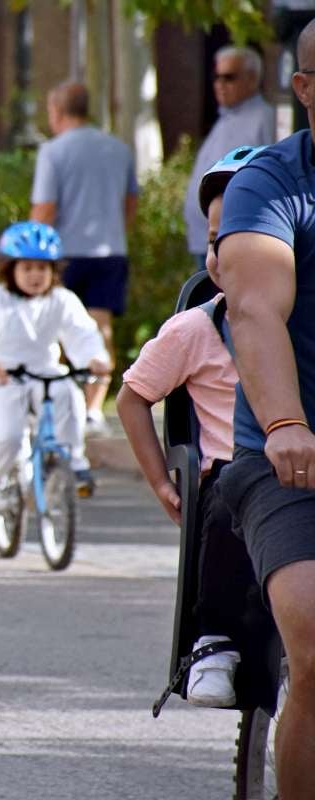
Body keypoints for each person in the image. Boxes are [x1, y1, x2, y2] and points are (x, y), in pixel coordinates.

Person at [116, 146, 267, 707]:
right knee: (234, 487)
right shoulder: (194, 330)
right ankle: (213, 640)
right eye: (213, 241)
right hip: (233, 480)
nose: (222, 254)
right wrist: (160, 479)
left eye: (243, 236)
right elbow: (131, 400)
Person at [215, 20, 315, 797]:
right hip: (292, 465)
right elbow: (252, 307)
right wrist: (284, 422)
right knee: (314, 643)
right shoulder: (272, 185)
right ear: (306, 89)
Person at [0, 221, 111, 520]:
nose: (35, 276)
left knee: (70, 398)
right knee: (9, 436)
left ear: (53, 272)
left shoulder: (62, 301)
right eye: (27, 268)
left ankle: (76, 462)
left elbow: (82, 333)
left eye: (42, 269)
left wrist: (94, 358)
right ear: (9, 269)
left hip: (46, 372)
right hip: (5, 378)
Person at [30, 82, 138, 436]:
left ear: (57, 111)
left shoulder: (53, 151)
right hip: (109, 250)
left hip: (63, 254)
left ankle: (57, 408)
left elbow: (45, 208)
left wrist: (29, 253)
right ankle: (93, 409)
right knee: (99, 327)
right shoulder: (118, 149)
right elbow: (130, 204)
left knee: (53, 329)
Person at [183, 47, 276, 272]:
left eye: (229, 77)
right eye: (216, 77)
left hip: (232, 239)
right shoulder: (225, 118)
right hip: (206, 239)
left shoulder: (263, 118)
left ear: (252, 79)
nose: (220, 84)